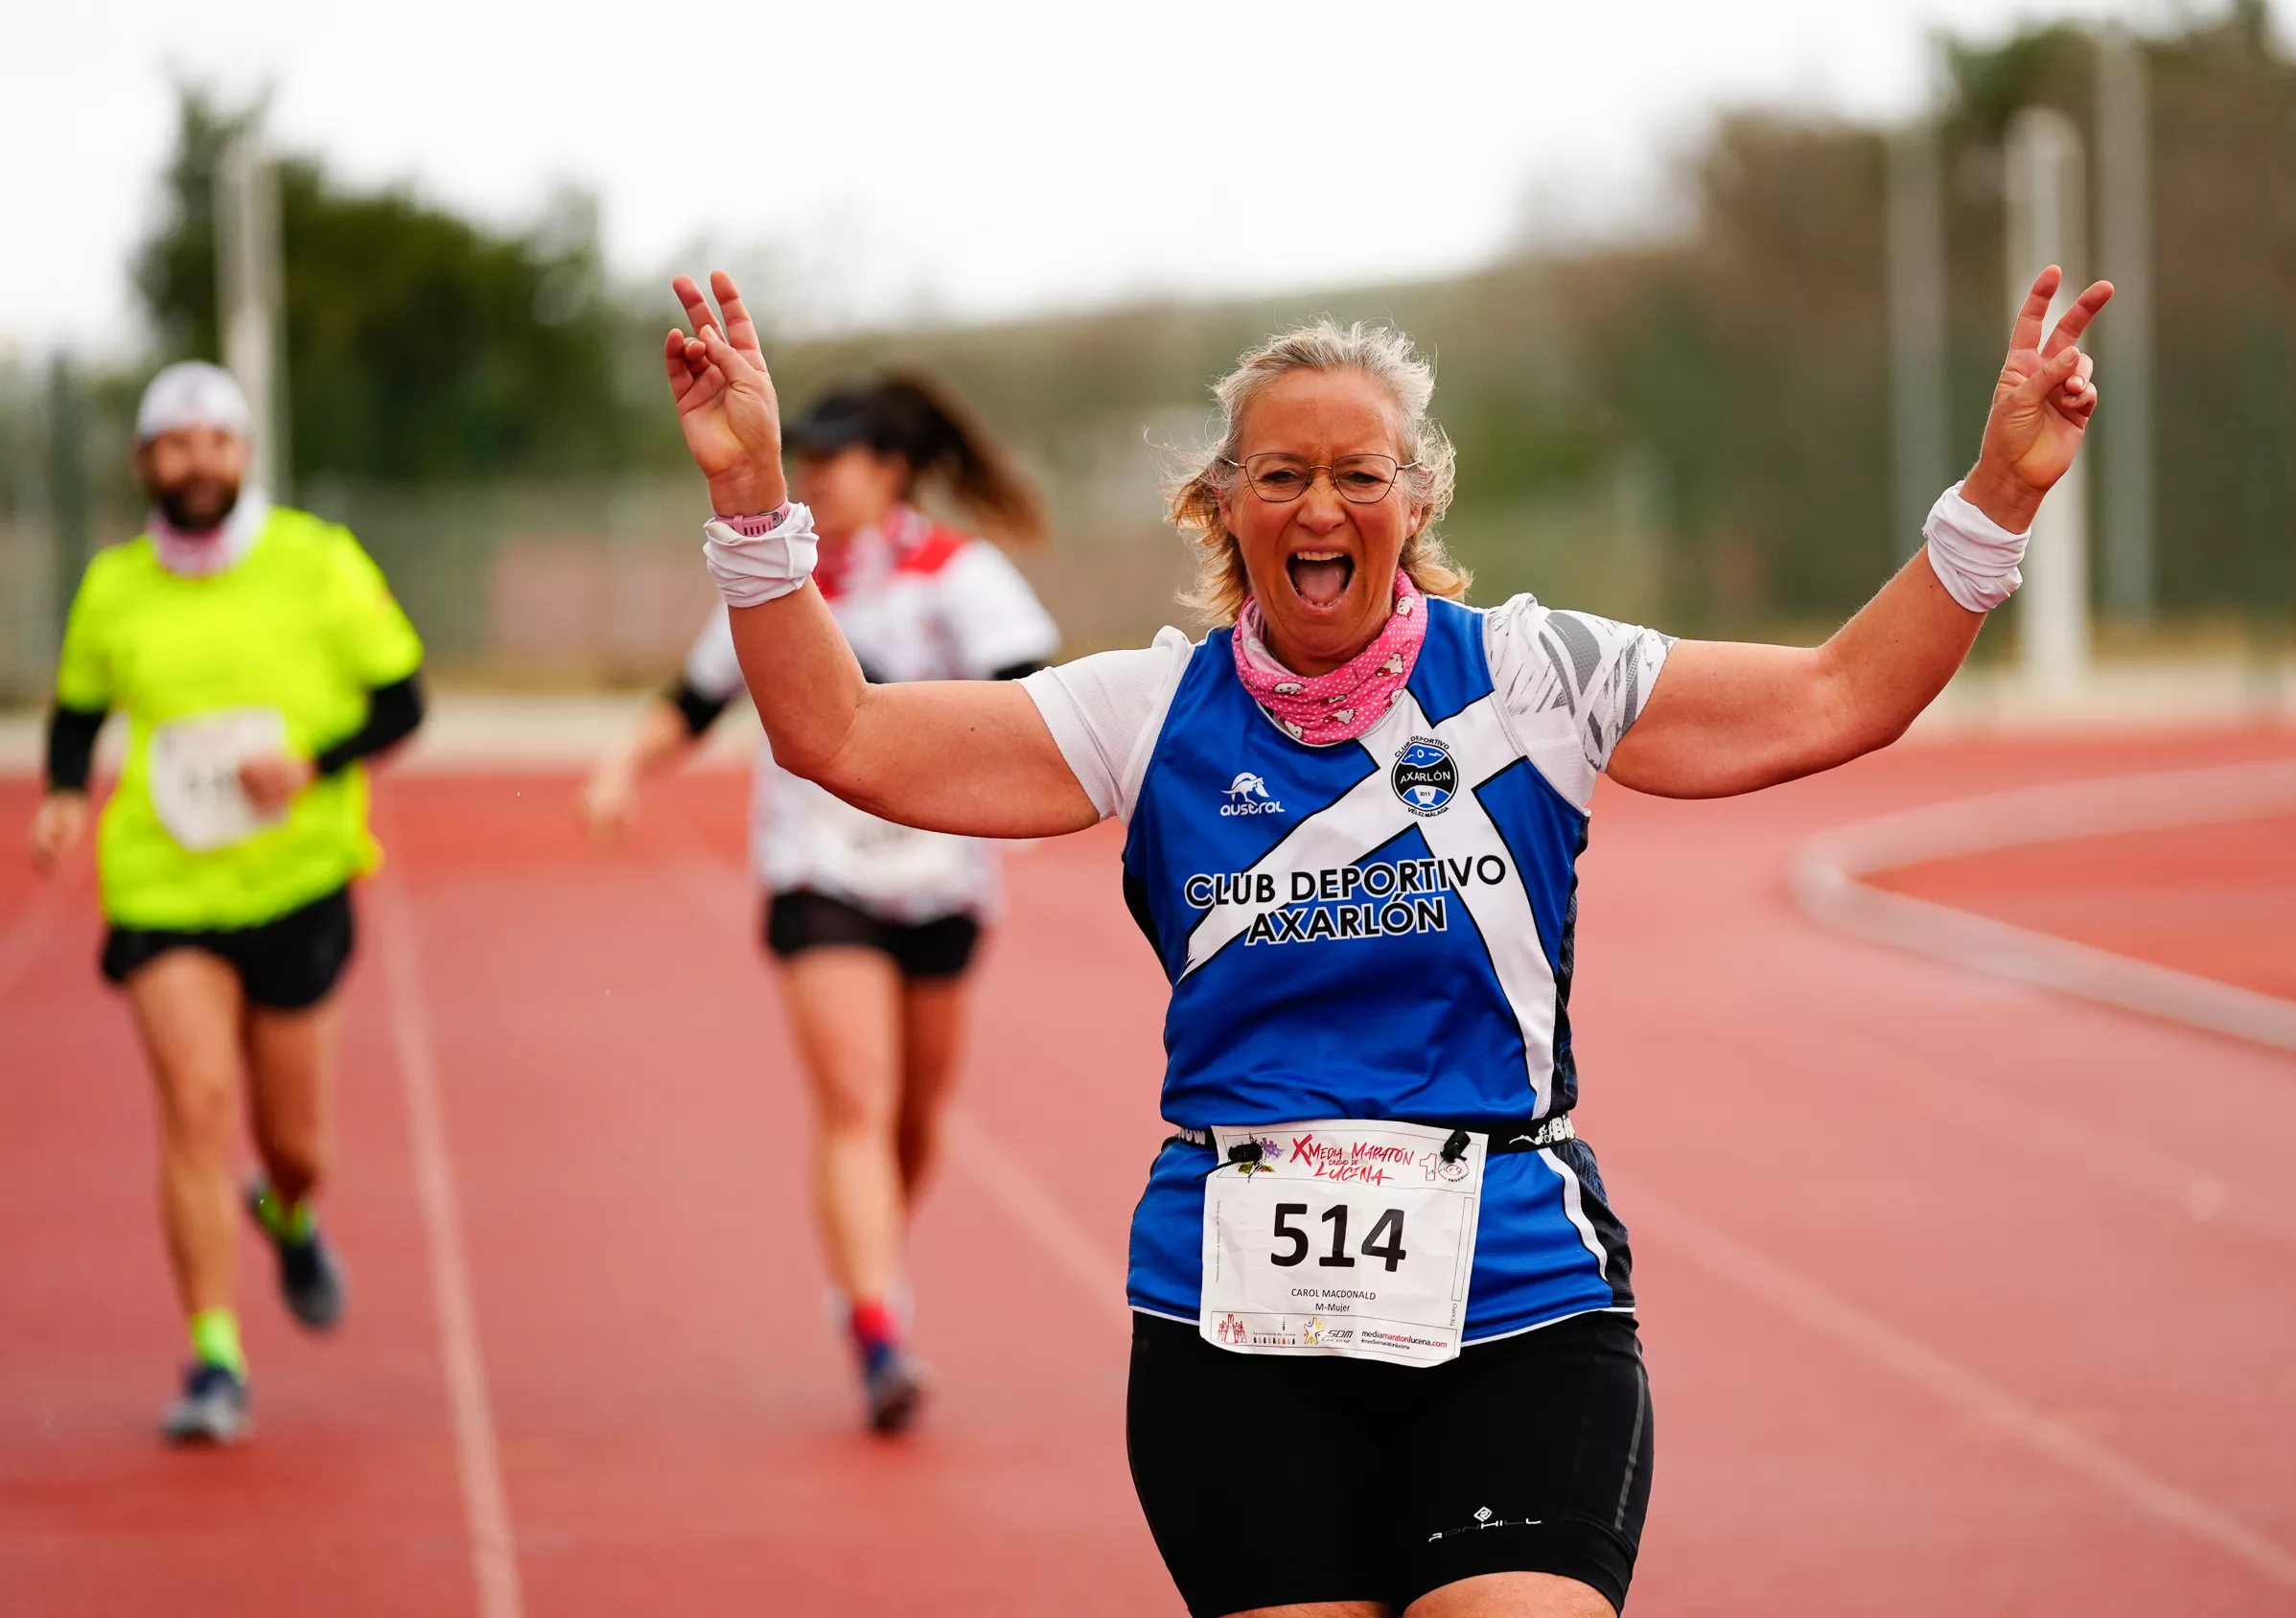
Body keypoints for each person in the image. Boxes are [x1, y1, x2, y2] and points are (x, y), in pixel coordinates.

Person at [658, 263, 2106, 1616]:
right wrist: (748, 500)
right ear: (1223, 505)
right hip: (1239, 1329)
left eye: (1359, 473)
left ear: (1415, 499)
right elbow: (837, 732)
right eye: (1281, 475)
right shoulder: (1145, 713)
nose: (1320, 506)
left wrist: (1999, 494)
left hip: (1518, 1301)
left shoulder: (1536, 679)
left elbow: (1833, 698)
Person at [580, 375, 1060, 1433]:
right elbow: (695, 699)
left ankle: (865, 1264)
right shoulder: (776, 580)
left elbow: (1040, 698)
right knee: (853, 1095)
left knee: (913, 1117)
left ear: (889, 471)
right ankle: (881, 1326)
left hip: (940, 875)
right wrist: (621, 768)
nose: (818, 479)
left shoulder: (959, 576)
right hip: (818, 870)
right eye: (809, 461)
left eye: (837, 461)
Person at [28, 360, 429, 1446]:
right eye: (173, 442)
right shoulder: (114, 584)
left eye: (214, 440)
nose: (195, 460)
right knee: (196, 1104)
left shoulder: (317, 561)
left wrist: (314, 761)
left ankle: (290, 1212)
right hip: (164, 884)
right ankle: (214, 1352)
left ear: (243, 453)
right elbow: (75, 714)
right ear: (145, 461)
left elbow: (404, 701)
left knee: (296, 1142)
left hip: (297, 880)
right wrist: (65, 796)